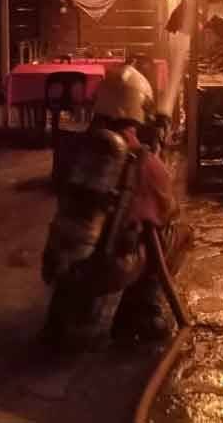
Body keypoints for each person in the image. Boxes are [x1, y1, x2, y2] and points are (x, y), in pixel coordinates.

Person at [39, 65, 191, 348]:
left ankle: (64, 312)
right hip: (108, 267)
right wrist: (158, 163)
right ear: (139, 107)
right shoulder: (143, 162)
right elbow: (166, 212)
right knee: (178, 234)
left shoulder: (79, 149)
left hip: (64, 264)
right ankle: (141, 314)